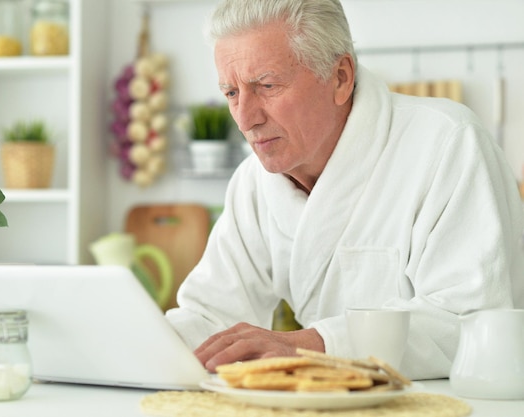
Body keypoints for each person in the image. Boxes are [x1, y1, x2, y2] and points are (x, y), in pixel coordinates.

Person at [165, 0, 524, 380]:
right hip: (335, 399)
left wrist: (306, 345)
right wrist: (141, 341)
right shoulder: (252, 181)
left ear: (340, 77)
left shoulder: (448, 143)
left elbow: (470, 324)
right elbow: (209, 316)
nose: (246, 118)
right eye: (231, 93)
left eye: (267, 86)